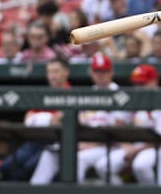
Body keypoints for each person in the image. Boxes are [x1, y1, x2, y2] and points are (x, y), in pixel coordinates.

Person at [30, 53, 132, 184]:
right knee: (50, 154)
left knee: (77, 159)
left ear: (111, 72)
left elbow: (117, 133)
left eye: (104, 71)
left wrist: (86, 145)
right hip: (84, 143)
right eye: (97, 71)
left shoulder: (120, 95)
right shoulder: (88, 93)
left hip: (110, 146)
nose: (100, 75)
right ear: (91, 73)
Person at [128, 64, 161, 185]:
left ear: (154, 82)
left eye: (142, 84)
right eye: (137, 84)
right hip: (134, 146)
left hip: (157, 147)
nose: (139, 88)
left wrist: (135, 150)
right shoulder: (134, 100)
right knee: (104, 165)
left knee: (140, 165)